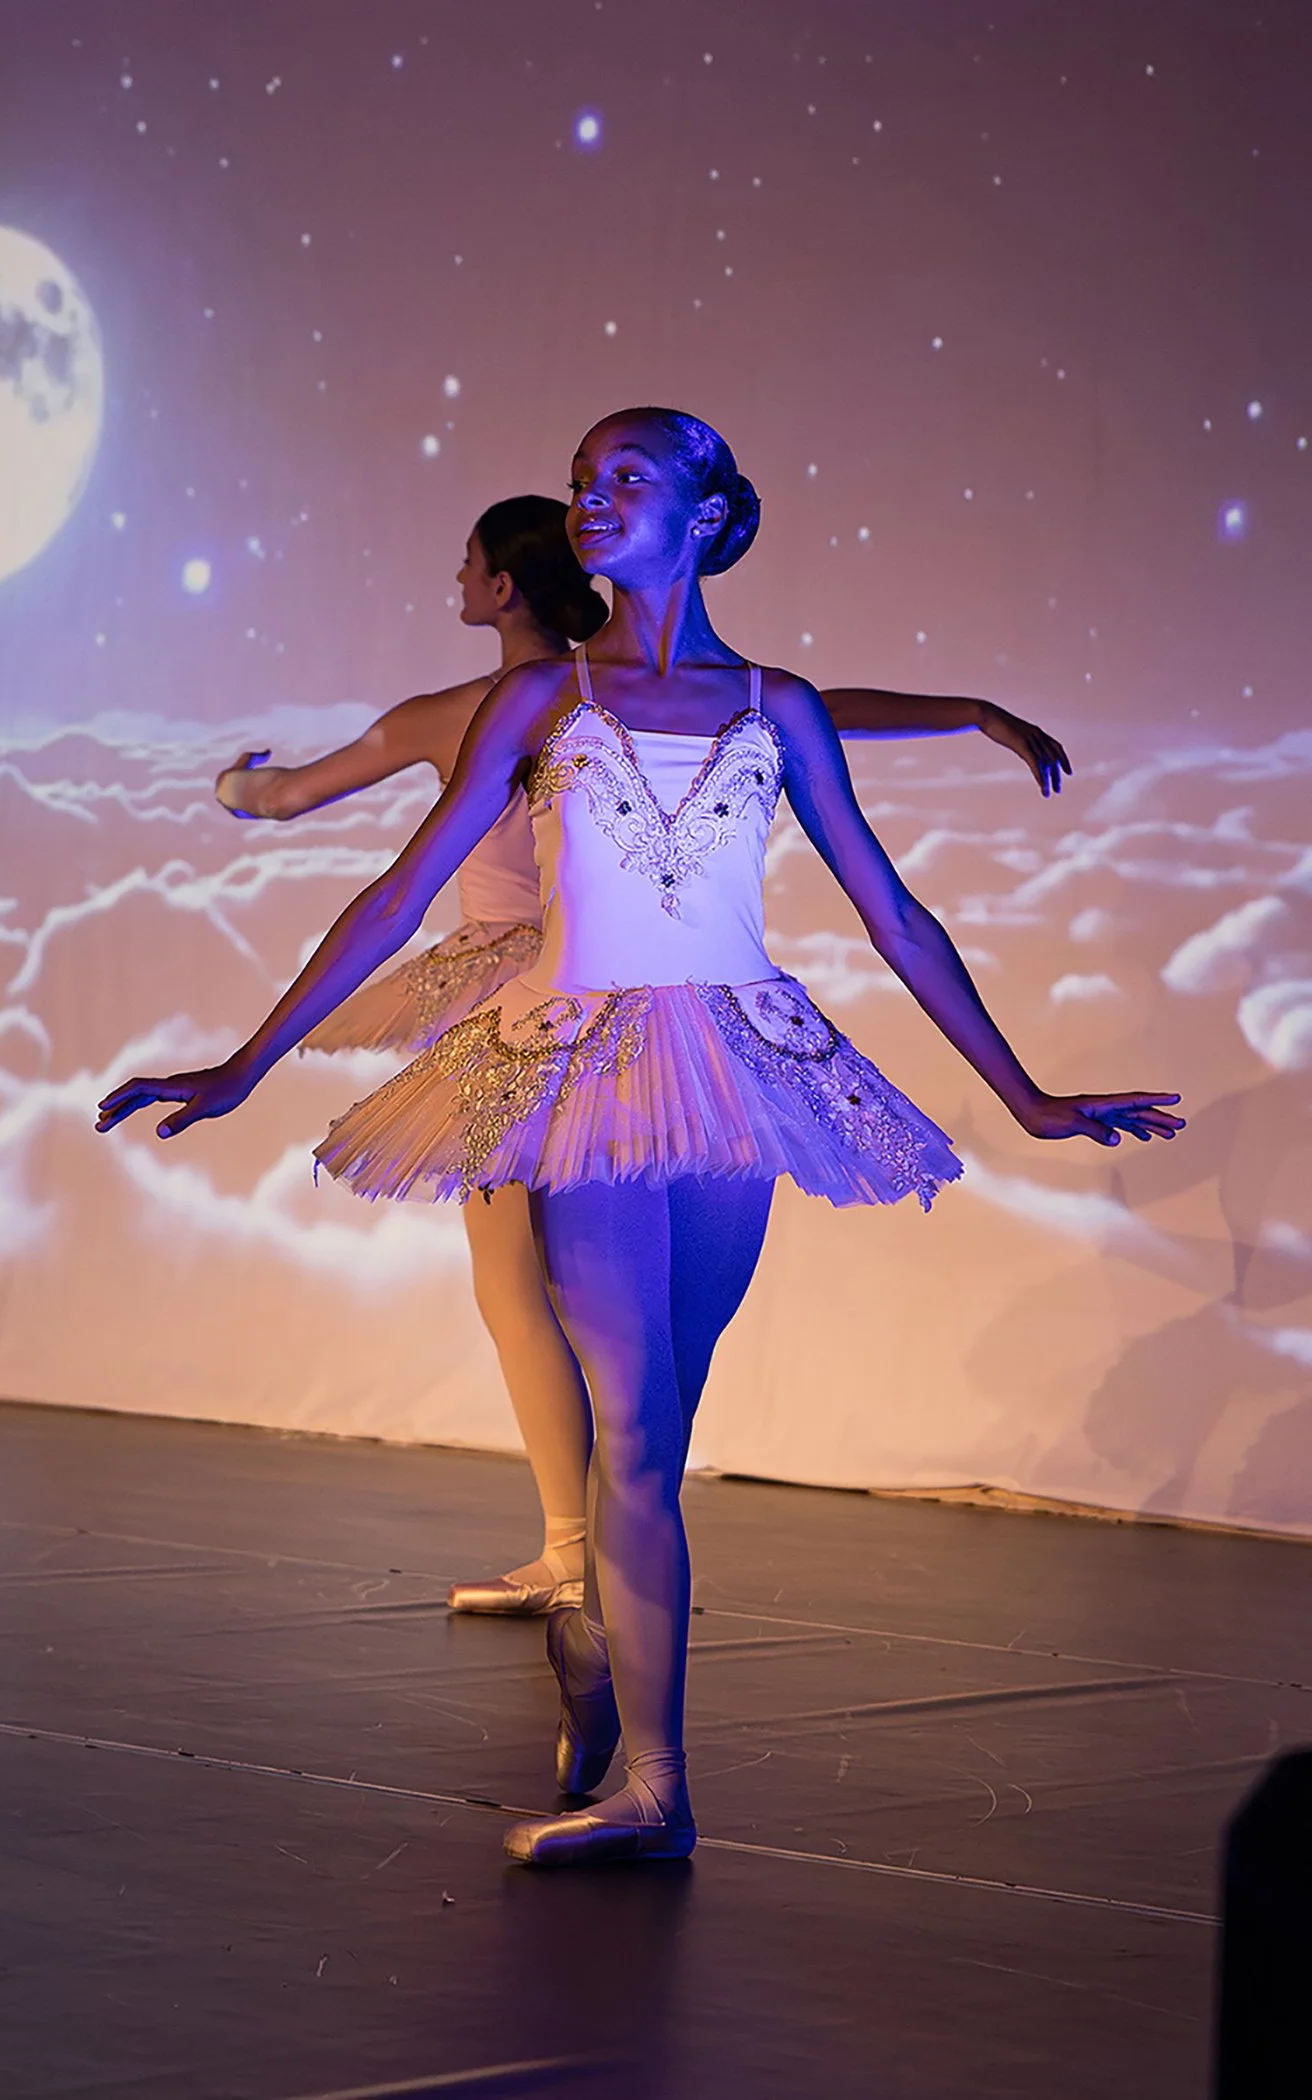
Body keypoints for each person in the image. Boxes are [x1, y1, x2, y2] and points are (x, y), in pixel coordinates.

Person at [98, 406, 1181, 1868]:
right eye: (579, 480)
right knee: (627, 1417)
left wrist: (1029, 1094)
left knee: (660, 1435)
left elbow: (893, 911)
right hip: (580, 1068)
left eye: (627, 478)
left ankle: (603, 1645)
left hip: (739, 1063)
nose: (591, 499)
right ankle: (659, 1790)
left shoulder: (777, 704)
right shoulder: (542, 700)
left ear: (707, 508)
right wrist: (245, 1061)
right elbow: (399, 893)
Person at [213, 494, 1072, 1620]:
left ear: (502, 586)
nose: (455, 581)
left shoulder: (474, 708)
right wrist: (960, 710)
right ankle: (605, 1566)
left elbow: (289, 799)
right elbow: (816, 715)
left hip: (543, 1007)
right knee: (614, 1332)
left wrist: (238, 786)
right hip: (615, 1010)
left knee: (526, 1294)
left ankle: (584, 1551)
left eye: (465, 563)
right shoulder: (574, 695)